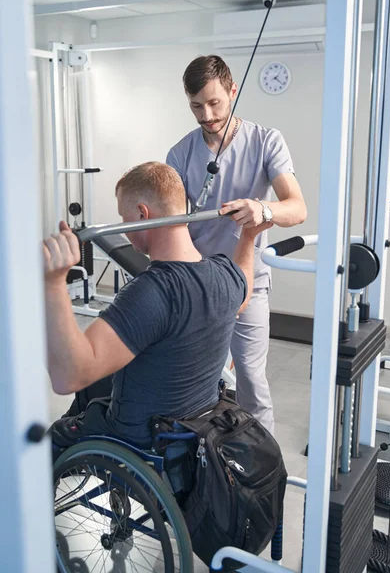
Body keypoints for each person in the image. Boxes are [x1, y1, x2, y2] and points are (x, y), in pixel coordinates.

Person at [45, 161, 269, 451]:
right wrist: (249, 236)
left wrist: (53, 283)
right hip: (193, 425)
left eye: (125, 219)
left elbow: (68, 378)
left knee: (51, 439)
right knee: (95, 386)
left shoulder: (148, 293)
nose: (125, 228)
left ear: (142, 214)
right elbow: (246, 290)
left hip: (140, 436)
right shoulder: (226, 275)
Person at [166, 55, 307, 435]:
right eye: (197, 106)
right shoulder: (180, 154)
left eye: (214, 103)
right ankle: (210, 469)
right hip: (200, 283)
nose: (207, 114)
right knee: (196, 381)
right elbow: (174, 227)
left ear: (232, 92)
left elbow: (297, 207)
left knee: (251, 380)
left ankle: (264, 477)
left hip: (249, 282)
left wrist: (262, 208)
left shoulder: (266, 141)